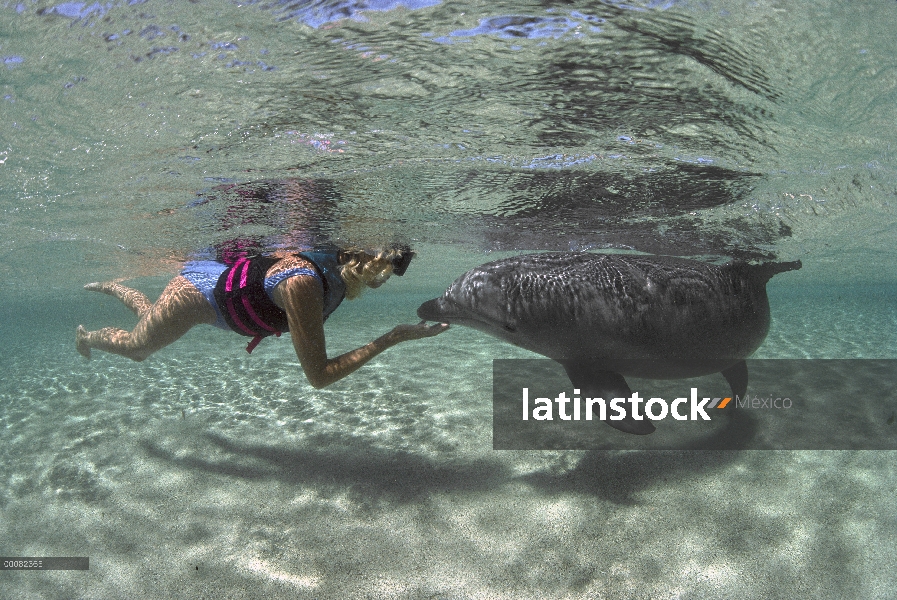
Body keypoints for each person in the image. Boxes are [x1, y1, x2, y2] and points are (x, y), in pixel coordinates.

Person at [76, 246, 448, 388]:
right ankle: (87, 336)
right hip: (198, 295)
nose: (382, 281)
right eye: (384, 273)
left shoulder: (330, 266)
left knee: (150, 318)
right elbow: (319, 376)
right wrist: (393, 337)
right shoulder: (304, 284)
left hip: (207, 284)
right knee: (139, 347)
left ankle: (117, 288)